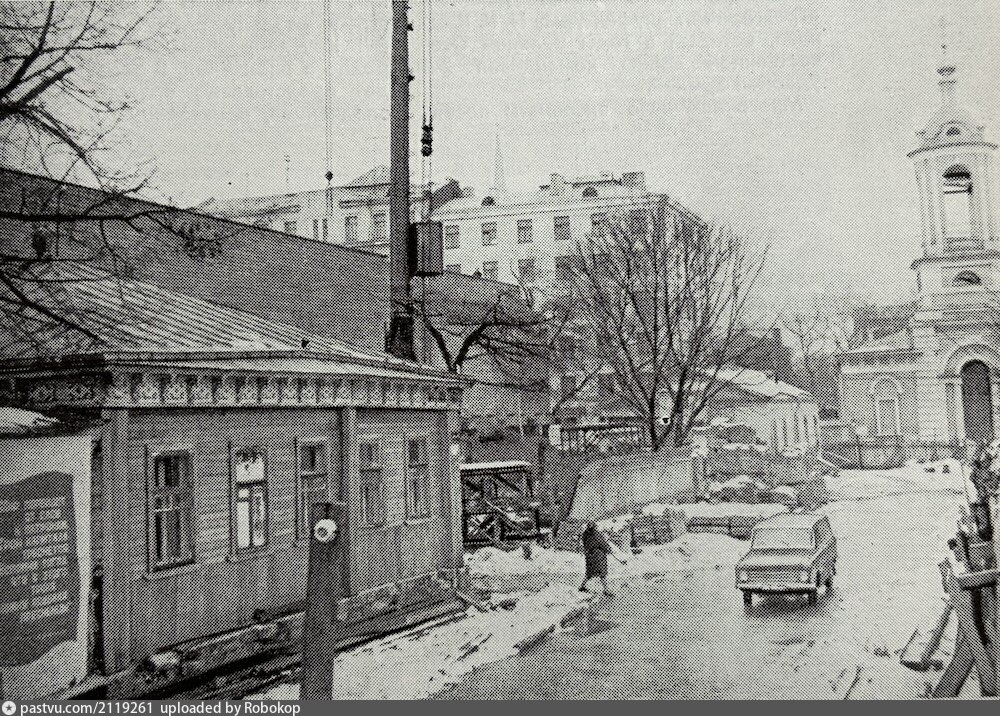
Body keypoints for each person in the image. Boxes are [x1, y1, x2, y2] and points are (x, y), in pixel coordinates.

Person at [579, 521, 614, 596]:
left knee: (589, 572)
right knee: (602, 572)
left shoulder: (585, 534)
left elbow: (585, 544)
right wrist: (608, 549)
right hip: (598, 556)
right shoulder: (596, 534)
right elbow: (602, 543)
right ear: (595, 527)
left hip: (589, 555)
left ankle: (582, 586)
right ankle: (606, 590)